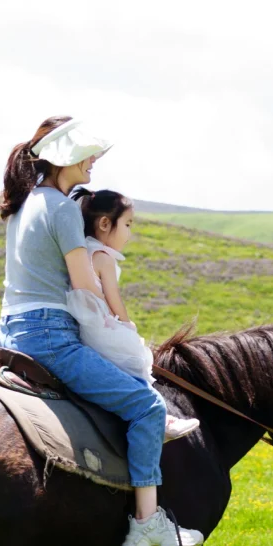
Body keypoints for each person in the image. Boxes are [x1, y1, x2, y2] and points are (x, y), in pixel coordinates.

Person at [0, 116, 204, 546]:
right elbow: (84, 283)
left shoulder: (25, 205)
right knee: (146, 406)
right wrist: (116, 316)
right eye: (86, 155)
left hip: (10, 329)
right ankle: (147, 525)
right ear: (64, 157)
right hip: (49, 335)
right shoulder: (63, 208)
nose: (93, 162)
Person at [65, 189, 199, 445]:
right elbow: (113, 301)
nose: (130, 233)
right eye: (127, 224)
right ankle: (160, 417)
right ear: (105, 224)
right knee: (135, 363)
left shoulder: (85, 252)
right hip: (102, 328)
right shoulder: (103, 258)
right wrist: (127, 325)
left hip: (86, 327)